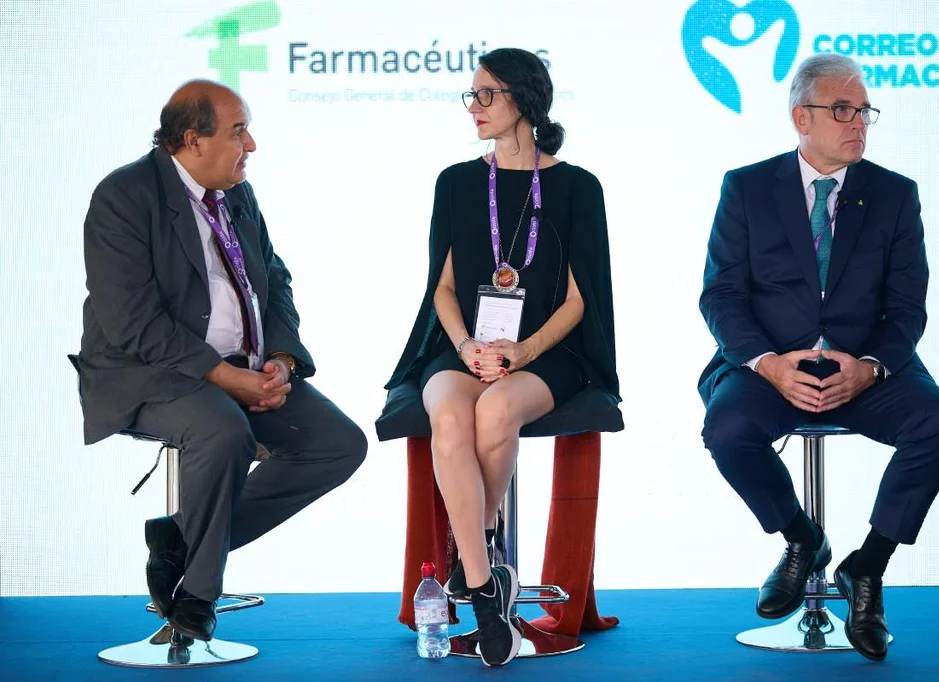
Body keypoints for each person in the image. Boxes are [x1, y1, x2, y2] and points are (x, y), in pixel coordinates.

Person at [72, 80, 367, 642]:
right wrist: (225, 377)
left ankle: (179, 540)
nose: (251, 144)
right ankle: (195, 602)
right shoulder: (124, 196)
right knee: (224, 428)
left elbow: (273, 280)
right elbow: (131, 320)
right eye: (238, 131)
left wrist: (278, 359)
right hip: (149, 371)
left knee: (337, 443)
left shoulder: (236, 191)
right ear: (192, 140)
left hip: (244, 365)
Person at [698, 53, 939, 661]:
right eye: (842, 110)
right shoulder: (747, 187)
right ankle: (802, 539)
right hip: (771, 364)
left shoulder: (895, 195)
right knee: (727, 426)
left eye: (864, 111)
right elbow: (721, 294)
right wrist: (767, 362)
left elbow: (908, 306)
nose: (858, 123)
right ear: (801, 117)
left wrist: (868, 367)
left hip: (866, 364)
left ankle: (868, 567)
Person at [384, 48, 618, 667]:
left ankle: (470, 555)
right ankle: (487, 591)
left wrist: (521, 352)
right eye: (472, 95)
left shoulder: (577, 187)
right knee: (450, 414)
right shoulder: (457, 182)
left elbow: (579, 298)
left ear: (524, 100)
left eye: (486, 95)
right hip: (462, 345)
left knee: (495, 412)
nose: (474, 108)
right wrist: (465, 345)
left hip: (549, 352)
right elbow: (441, 287)